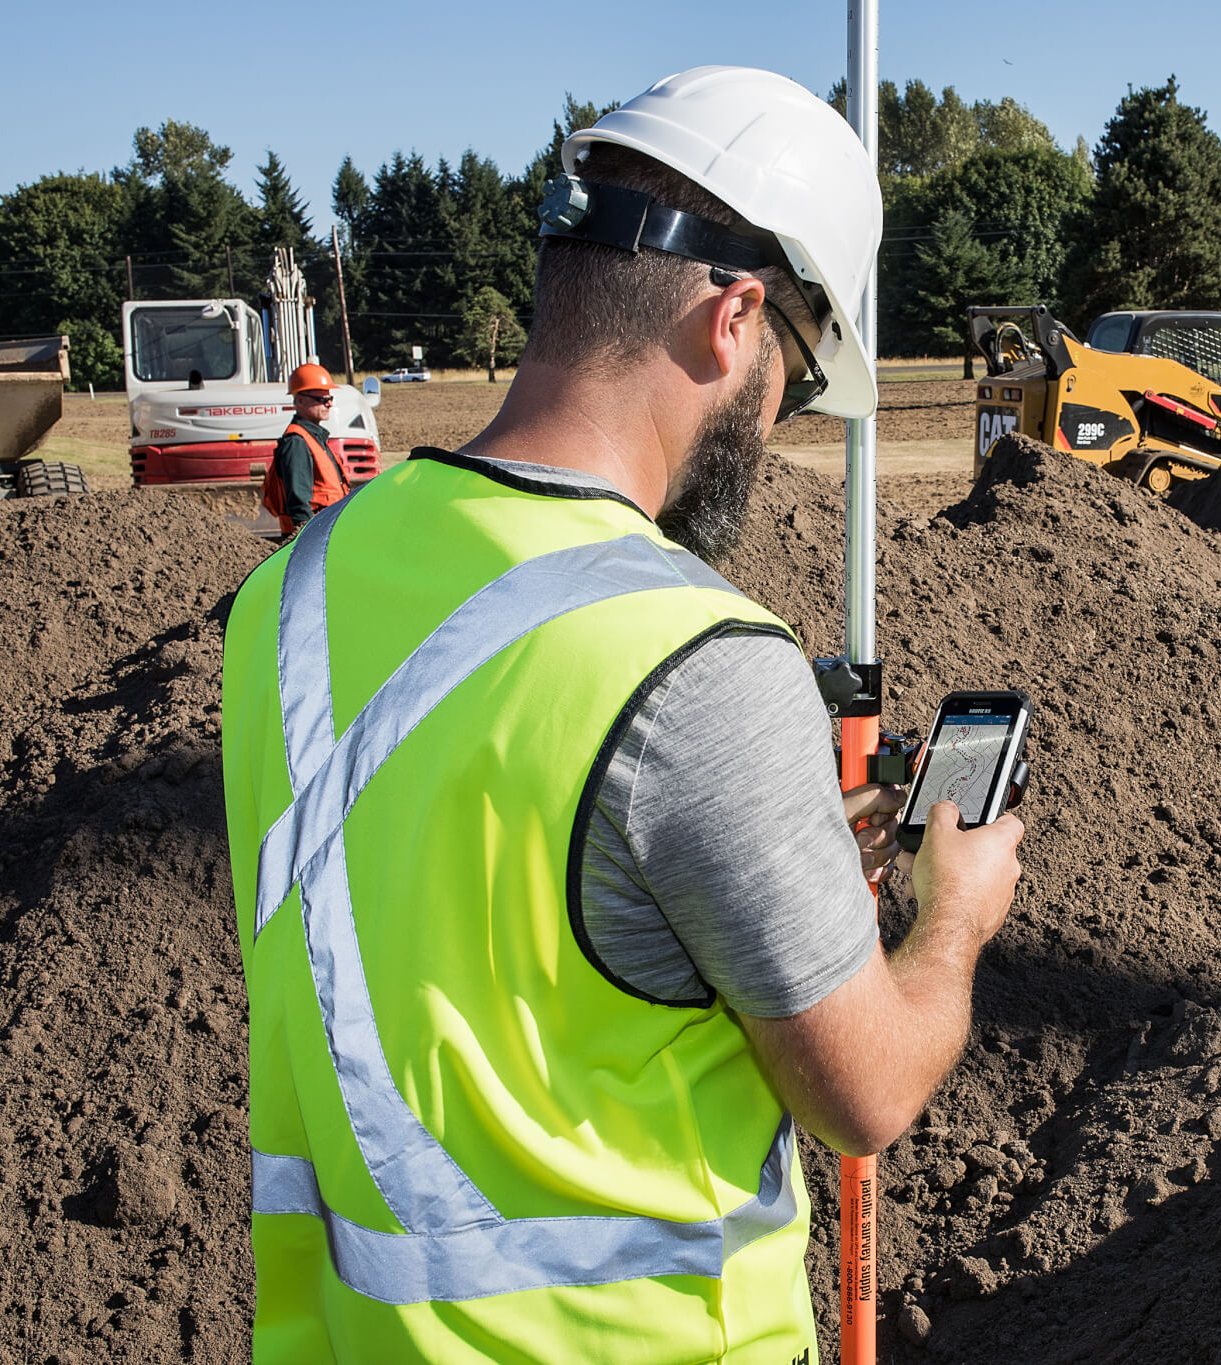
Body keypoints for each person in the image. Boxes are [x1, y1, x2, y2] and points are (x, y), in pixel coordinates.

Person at [221, 66, 1025, 1363]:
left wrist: (740, 862)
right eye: (798, 378)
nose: (778, 420)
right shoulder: (695, 655)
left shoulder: (290, 600)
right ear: (735, 320)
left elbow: (467, 920)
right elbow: (867, 1090)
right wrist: (955, 917)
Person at [259, 362, 350, 536]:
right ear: (300, 400)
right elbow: (299, 502)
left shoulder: (314, 439)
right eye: (321, 400)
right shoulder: (297, 442)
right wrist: (307, 541)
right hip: (314, 536)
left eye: (330, 399)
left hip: (327, 533)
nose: (329, 404)